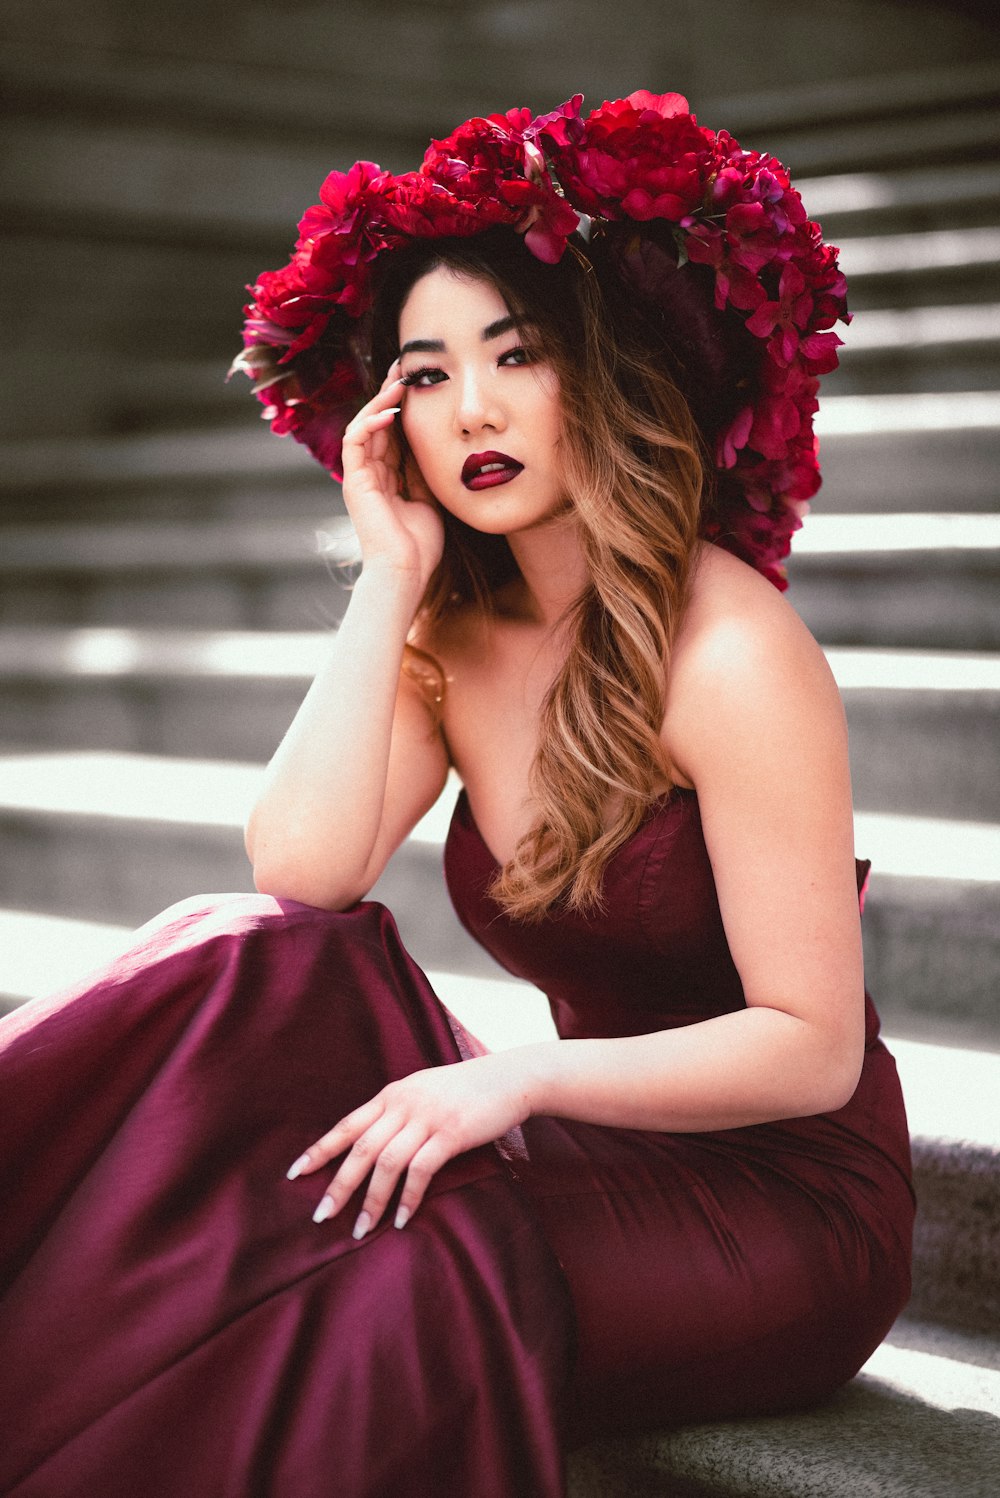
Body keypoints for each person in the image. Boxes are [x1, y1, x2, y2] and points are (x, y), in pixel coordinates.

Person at [0, 92, 914, 1498]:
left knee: (361, 1272)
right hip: (575, 1142)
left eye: (516, 353)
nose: (471, 406)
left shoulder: (731, 648)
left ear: (595, 376)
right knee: (247, 969)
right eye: (425, 375)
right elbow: (298, 879)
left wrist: (513, 1077)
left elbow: (808, 1050)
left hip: (780, 1203)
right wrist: (390, 579)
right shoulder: (449, 639)